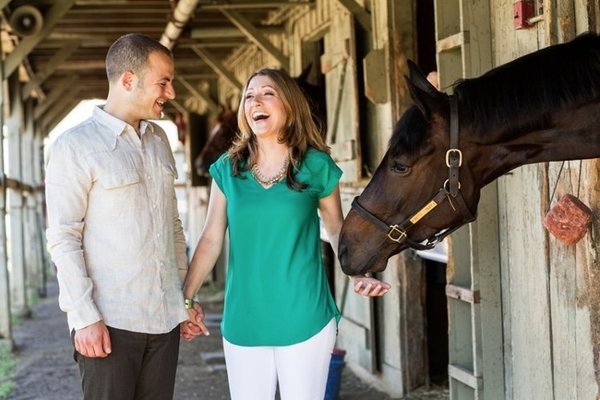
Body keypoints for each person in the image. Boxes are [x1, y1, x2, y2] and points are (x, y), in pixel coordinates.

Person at [182, 68, 391, 400]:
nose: (256, 102)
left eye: (267, 93)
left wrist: (356, 273)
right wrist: (187, 297)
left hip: (304, 313)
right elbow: (210, 238)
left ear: (290, 105)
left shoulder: (316, 166)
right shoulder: (227, 169)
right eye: (249, 96)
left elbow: (336, 228)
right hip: (244, 317)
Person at [45, 33, 203, 400]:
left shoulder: (160, 141)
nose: (172, 92)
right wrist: (84, 317)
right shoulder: (74, 146)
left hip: (163, 322)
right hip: (110, 324)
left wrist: (183, 301)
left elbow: (172, 229)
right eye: (163, 82)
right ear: (129, 80)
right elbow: (63, 237)